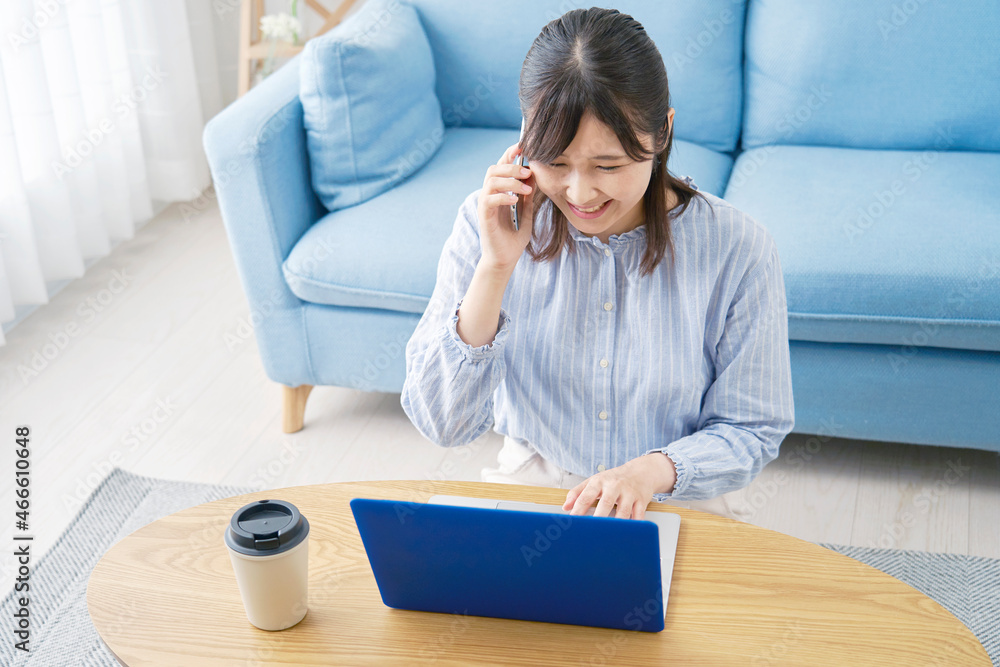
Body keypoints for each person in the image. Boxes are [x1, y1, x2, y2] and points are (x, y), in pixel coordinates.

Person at [400, 7, 794, 522]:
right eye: (556, 163)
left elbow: (752, 427)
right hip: (538, 486)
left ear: (663, 133)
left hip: (673, 491)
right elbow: (444, 424)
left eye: (608, 165)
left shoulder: (738, 248)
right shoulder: (485, 223)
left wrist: (648, 472)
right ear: (525, 137)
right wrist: (495, 268)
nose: (580, 193)